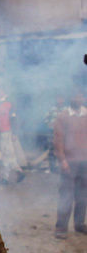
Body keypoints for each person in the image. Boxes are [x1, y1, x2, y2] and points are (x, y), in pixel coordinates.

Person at [52, 90, 87, 239]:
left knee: (83, 195)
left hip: (85, 161)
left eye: (80, 96)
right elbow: (58, 139)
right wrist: (62, 159)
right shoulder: (63, 116)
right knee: (66, 194)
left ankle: (79, 224)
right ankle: (61, 227)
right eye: (75, 96)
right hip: (69, 162)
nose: (78, 99)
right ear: (70, 98)